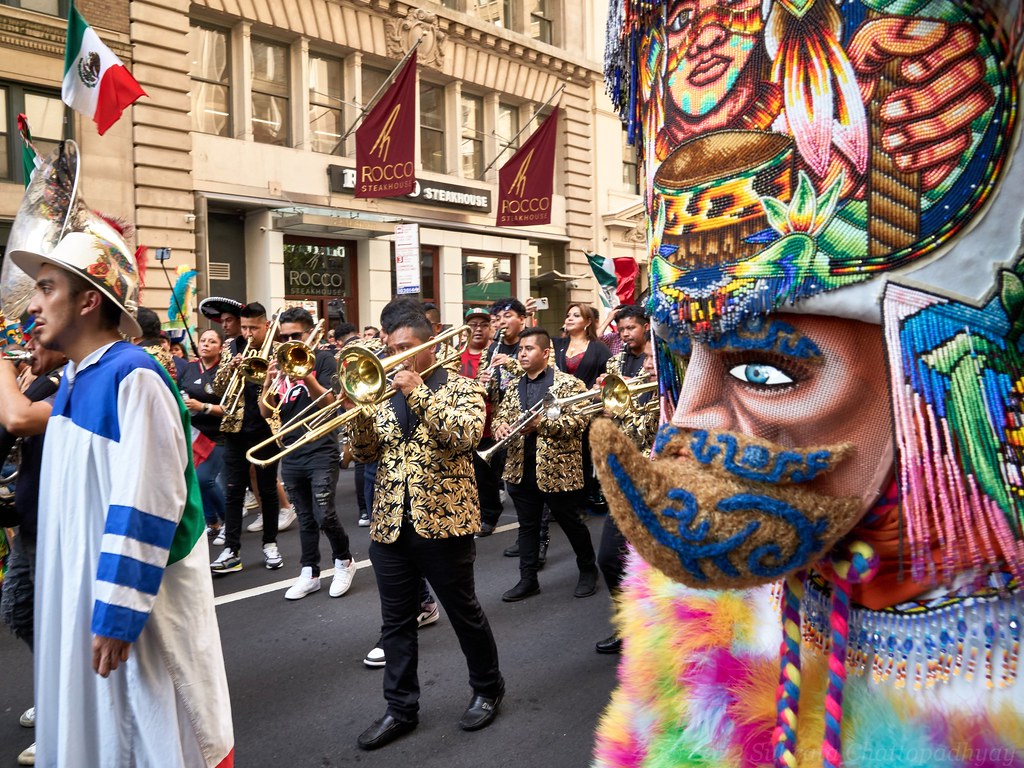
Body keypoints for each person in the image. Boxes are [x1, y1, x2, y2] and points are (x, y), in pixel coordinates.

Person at [592, 0, 1024, 762]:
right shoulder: (693, 608)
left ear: (931, 358)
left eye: (762, 369)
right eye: (676, 357)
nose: (685, 423)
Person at [10, 217, 233, 766]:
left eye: (46, 287)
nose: (32, 305)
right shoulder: (77, 379)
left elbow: (148, 502)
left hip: (136, 616)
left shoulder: (133, 375)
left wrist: (116, 611)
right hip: (81, 595)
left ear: (88, 301)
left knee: (146, 734)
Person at [349, 310, 504, 749]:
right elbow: (364, 455)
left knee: (463, 612)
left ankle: (488, 687)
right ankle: (401, 709)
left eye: (403, 349)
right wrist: (360, 414)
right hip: (390, 524)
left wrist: (418, 394)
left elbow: (464, 438)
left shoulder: (463, 389)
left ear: (429, 345)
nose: (396, 357)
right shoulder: (379, 393)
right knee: (395, 624)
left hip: (444, 522)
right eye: (392, 349)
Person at [493, 327, 599, 602]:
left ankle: (588, 570)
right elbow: (499, 418)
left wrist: (543, 424)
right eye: (520, 350)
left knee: (570, 523)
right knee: (527, 527)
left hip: (557, 471)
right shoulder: (515, 385)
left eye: (529, 349)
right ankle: (528, 580)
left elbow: (580, 423)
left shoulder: (569, 383)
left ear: (546, 353)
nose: (523, 354)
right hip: (520, 469)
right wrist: (500, 426)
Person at [259, 307, 356, 600]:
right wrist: (267, 383)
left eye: (295, 335)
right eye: (284, 336)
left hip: (321, 448)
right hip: (292, 449)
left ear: (311, 334)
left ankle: (344, 561)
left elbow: (331, 402)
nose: (288, 341)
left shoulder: (325, 359)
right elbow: (266, 411)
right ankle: (309, 572)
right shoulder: (279, 363)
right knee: (304, 515)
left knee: (324, 511)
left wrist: (304, 375)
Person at [0, 334, 66, 767]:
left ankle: (63, 720)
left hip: (55, 523)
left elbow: (16, 422)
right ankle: (53, 691)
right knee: (19, 610)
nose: (30, 348)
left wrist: (4, 371)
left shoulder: (63, 380)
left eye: (37, 341)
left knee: (57, 625)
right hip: (29, 521)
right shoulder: (39, 381)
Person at [210, 301, 285, 574]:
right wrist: (230, 368)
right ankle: (231, 548)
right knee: (233, 491)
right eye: (244, 327)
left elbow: (284, 392)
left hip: (266, 427)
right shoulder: (231, 347)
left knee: (267, 489)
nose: (248, 333)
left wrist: (271, 375)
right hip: (235, 429)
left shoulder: (277, 350)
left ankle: (270, 543)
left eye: (254, 327)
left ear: (266, 325)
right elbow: (217, 388)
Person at [594, 337, 656, 655]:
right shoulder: (638, 390)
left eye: (652, 358)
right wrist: (612, 407)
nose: (646, 364)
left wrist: (622, 404)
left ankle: (654, 632)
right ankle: (628, 624)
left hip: (663, 496)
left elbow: (651, 433)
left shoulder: (681, 395)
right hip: (628, 489)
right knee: (608, 558)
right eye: (644, 358)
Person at [179, 328, 228, 545]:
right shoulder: (189, 368)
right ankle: (212, 523)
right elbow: (179, 391)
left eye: (211, 341)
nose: (205, 344)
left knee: (204, 479)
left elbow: (231, 407)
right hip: (193, 434)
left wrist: (203, 406)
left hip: (217, 435)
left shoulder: (225, 370)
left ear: (220, 347)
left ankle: (229, 521)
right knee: (194, 483)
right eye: (202, 340)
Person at [461, 307, 502, 536]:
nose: (478, 329)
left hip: (488, 424)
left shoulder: (496, 354)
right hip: (463, 422)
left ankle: (490, 515)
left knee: (485, 477)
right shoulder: (455, 355)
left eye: (483, 325)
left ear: (490, 329)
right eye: (473, 325)